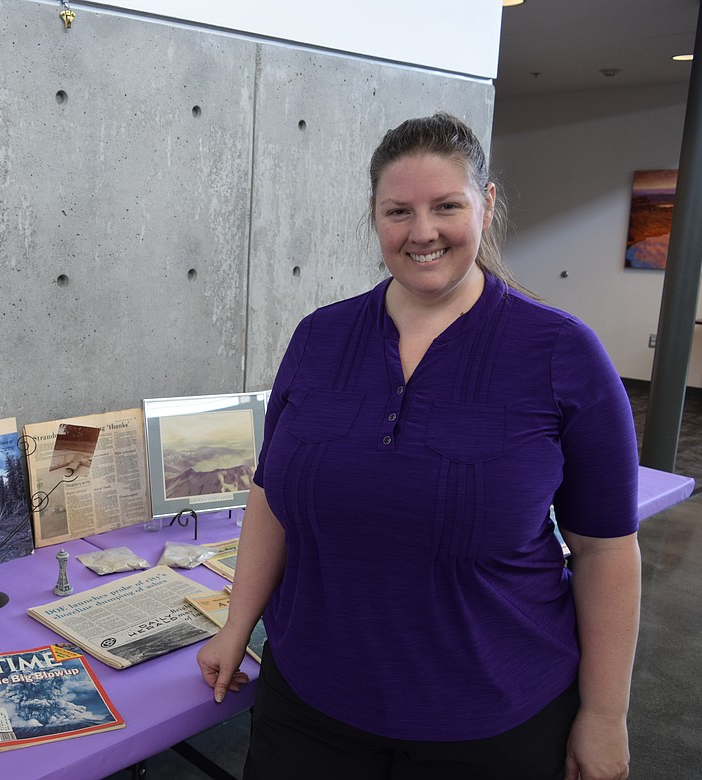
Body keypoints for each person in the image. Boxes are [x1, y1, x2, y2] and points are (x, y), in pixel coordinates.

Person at [197, 112, 640, 780]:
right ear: (375, 216)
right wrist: (237, 625)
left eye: (446, 206)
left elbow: (606, 548)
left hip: (491, 717)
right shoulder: (320, 338)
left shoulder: (561, 353)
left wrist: (605, 715)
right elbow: (270, 493)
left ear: (486, 205)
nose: (422, 232)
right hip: (311, 705)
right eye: (399, 210)